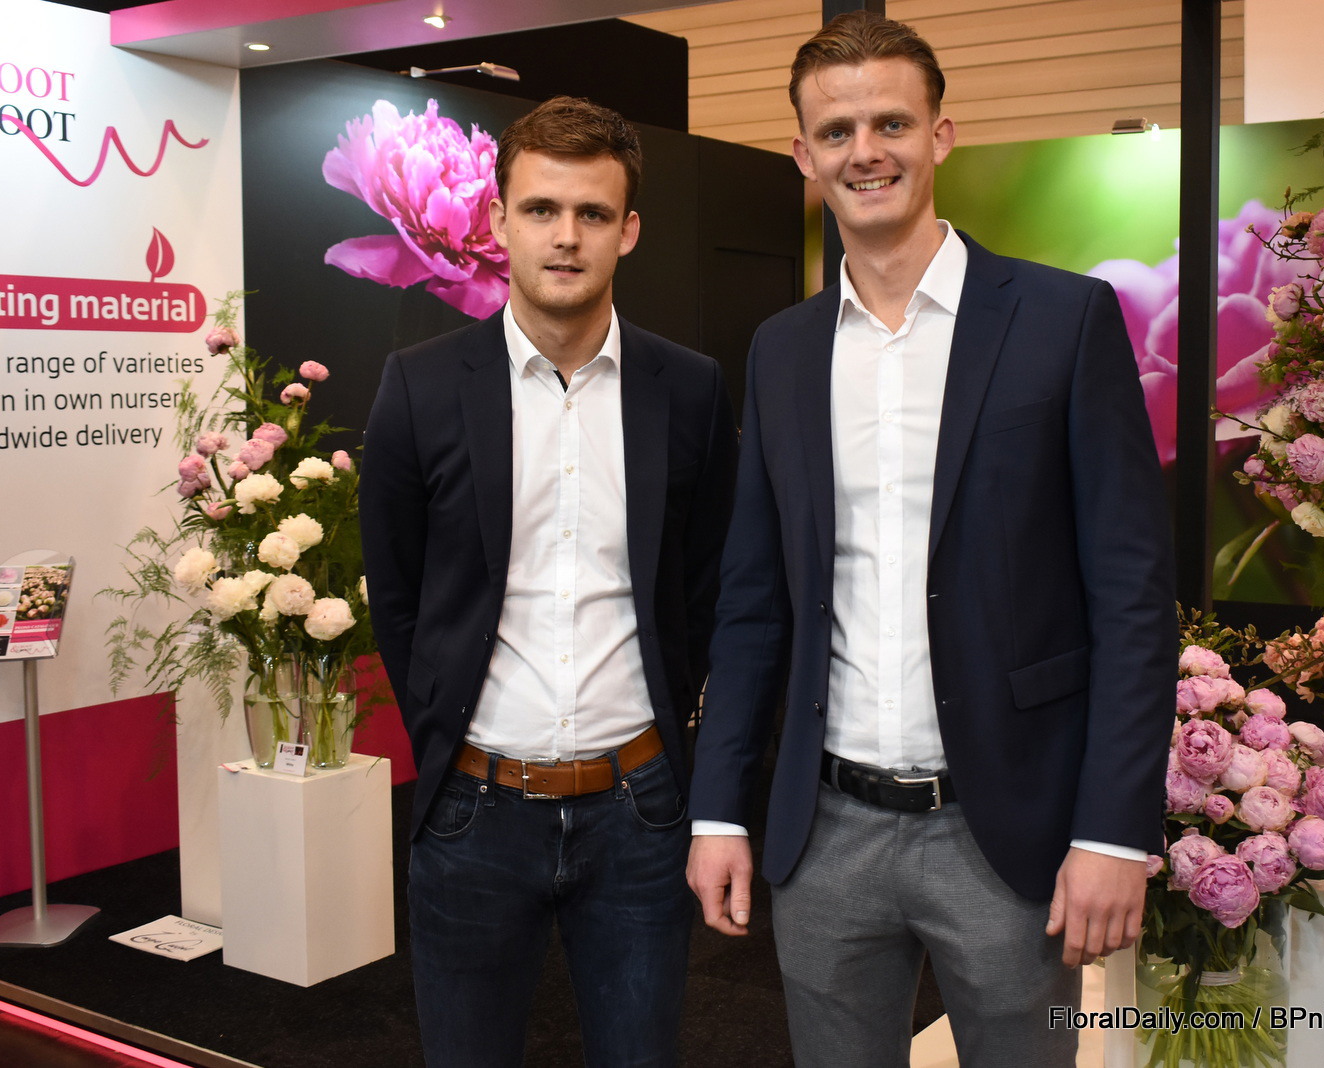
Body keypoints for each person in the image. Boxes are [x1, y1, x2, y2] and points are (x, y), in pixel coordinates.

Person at [685, 11, 1175, 1067]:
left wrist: (1112, 829)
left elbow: (1132, 599)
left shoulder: (1064, 320)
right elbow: (752, 603)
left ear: (941, 135)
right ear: (803, 155)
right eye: (837, 131)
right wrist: (718, 809)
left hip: (1005, 828)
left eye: (891, 123)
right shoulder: (782, 350)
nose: (865, 151)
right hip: (824, 830)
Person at [360, 95, 737, 1067]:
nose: (566, 236)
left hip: (641, 813)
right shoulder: (420, 386)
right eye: (540, 209)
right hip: (472, 811)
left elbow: (705, 589)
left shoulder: (689, 390)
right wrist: (443, 731)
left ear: (628, 230)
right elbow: (397, 594)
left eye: (592, 213)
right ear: (498, 220)